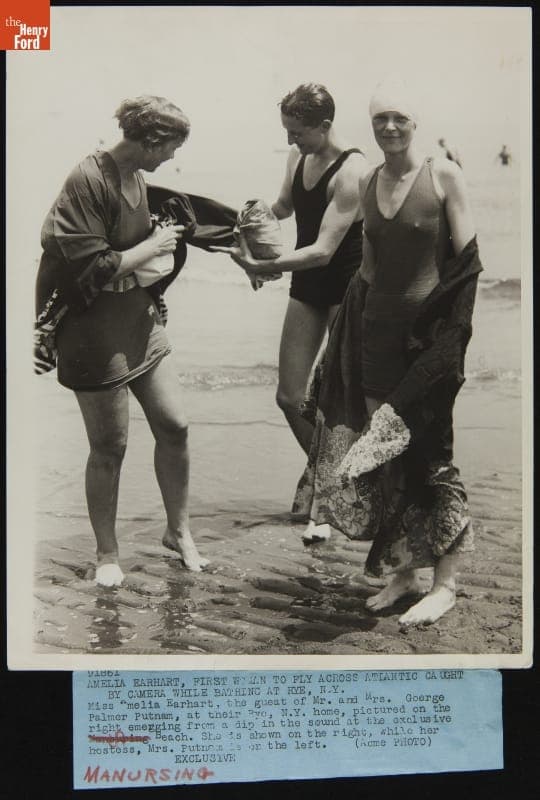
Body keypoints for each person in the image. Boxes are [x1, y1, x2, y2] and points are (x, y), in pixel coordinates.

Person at [292, 77, 483, 628]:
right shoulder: (370, 180)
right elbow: (367, 272)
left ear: (415, 122)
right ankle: (405, 572)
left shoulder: (444, 175)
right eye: (380, 120)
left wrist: (450, 345)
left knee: (431, 455)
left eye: (399, 118)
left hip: (427, 344)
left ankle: (445, 584)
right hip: (376, 336)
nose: (390, 127)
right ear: (371, 125)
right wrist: (342, 346)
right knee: (388, 462)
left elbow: (467, 266)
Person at [35, 96, 209, 587]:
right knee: (110, 445)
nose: (172, 157)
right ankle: (107, 553)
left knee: (175, 425)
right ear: (151, 140)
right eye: (171, 147)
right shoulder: (87, 179)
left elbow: (135, 247)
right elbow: (89, 265)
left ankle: (178, 531)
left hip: (137, 317)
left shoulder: (138, 177)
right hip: (90, 327)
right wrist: (152, 247)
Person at [211, 84, 367, 455]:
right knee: (289, 395)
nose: (290, 139)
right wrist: (240, 221)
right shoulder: (297, 158)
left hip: (345, 283)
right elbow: (283, 206)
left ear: (324, 125)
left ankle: (351, 486)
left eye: (297, 132)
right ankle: (327, 477)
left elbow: (324, 251)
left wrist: (261, 264)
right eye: (286, 131)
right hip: (308, 280)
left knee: (344, 401)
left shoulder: (353, 170)